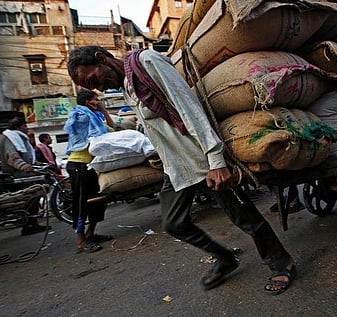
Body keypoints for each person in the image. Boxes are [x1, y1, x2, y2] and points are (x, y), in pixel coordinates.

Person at [67, 46, 297, 294]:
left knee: (244, 217)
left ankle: (281, 264)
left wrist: (215, 159)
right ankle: (225, 258)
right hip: (176, 167)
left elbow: (188, 107)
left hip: (201, 159)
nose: (99, 88)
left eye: (93, 79)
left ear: (102, 59)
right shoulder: (126, 86)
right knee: (174, 223)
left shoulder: (146, 62)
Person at [64, 90, 115, 253]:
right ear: (87, 102)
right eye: (95, 100)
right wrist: (101, 111)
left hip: (91, 166)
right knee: (82, 204)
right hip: (79, 165)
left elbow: (112, 130)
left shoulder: (95, 118)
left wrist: (103, 111)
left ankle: (91, 233)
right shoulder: (82, 116)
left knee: (98, 201)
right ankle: (80, 240)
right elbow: (109, 130)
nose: (98, 102)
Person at [0, 117, 51, 236]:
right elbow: (11, 156)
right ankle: (27, 225)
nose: (26, 128)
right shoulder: (10, 138)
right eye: (24, 126)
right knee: (27, 200)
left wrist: (37, 164)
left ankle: (34, 223)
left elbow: (28, 156)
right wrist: (24, 166)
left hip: (27, 174)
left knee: (34, 198)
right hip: (17, 175)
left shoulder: (20, 138)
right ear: (17, 127)